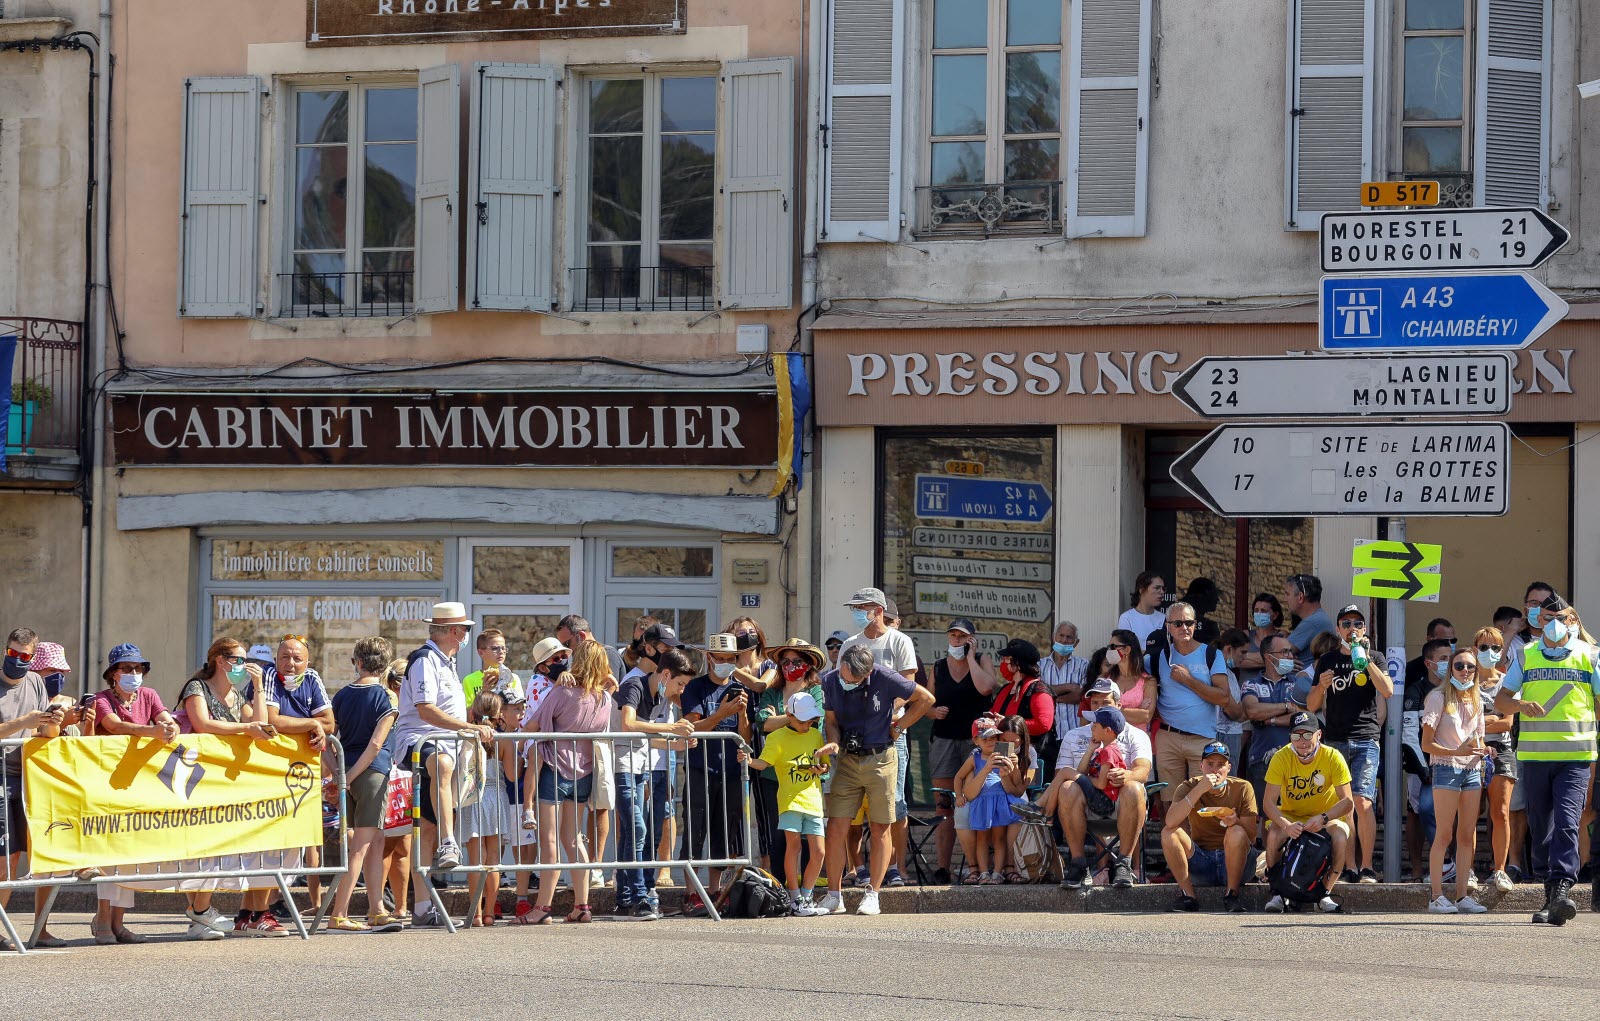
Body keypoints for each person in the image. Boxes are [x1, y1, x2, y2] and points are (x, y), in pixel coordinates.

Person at [1494, 593, 1599, 926]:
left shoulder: (1590, 656)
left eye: (1559, 616)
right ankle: (1549, 893)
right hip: (1537, 757)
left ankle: (1562, 889)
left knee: (1568, 823)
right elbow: (1502, 701)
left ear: (1571, 620)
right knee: (1541, 829)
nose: (1552, 622)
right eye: (1546, 616)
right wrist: (1521, 705)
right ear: (1538, 620)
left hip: (1576, 757)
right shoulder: (1526, 655)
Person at [817, 643, 933, 916]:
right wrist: (833, 744)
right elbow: (830, 720)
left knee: (881, 827)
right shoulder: (831, 681)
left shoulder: (885, 676)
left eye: (851, 679)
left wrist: (900, 726)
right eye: (843, 674)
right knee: (836, 826)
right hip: (847, 758)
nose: (845, 680)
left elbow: (926, 698)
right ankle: (834, 896)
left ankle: (873, 895)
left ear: (867, 673)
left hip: (881, 758)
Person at [393, 601, 491, 925]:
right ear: (453, 631)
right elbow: (426, 710)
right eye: (464, 630)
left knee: (427, 829)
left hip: (443, 743)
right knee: (443, 766)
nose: (465, 636)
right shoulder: (425, 660)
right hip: (419, 742)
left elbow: (446, 711)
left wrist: (474, 721)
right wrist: (468, 727)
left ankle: (422, 907)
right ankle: (450, 844)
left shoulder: (446, 662)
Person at [88, 643, 180, 944]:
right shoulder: (102, 700)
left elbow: (165, 716)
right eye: (127, 668)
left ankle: (118, 922)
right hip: (106, 785)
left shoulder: (149, 695)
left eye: (138, 668)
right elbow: (114, 726)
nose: (134, 673)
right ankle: (102, 916)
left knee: (129, 852)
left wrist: (169, 726)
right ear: (113, 673)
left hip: (138, 784)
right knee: (107, 852)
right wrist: (152, 731)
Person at [523, 640, 613, 925]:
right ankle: (582, 905)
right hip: (584, 771)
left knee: (550, 840)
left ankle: (543, 907)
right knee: (574, 838)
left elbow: (533, 726)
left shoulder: (563, 691)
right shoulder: (605, 699)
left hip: (554, 766)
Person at [1305, 604, 1391, 884]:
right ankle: (1349, 866)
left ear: (1364, 629)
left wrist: (1366, 660)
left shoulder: (1375, 656)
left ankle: (1367, 866)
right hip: (1335, 738)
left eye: (1357, 623)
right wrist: (1321, 686)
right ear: (1338, 629)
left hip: (1366, 737)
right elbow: (1311, 705)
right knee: (1345, 804)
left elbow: (1387, 690)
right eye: (1346, 623)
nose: (1351, 628)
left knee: (1364, 801)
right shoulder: (1328, 659)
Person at [614, 633, 696, 919]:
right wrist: (670, 731)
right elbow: (627, 723)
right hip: (622, 764)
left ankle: (631, 897)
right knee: (637, 830)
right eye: (680, 684)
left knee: (641, 832)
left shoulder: (661, 695)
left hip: (642, 765)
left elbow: (650, 737)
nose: (682, 691)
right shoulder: (633, 685)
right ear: (665, 674)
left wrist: (679, 742)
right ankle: (638, 897)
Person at [1041, 682, 1153, 889]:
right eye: (1094, 702)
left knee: (1134, 787)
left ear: (1119, 705)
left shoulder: (1137, 735)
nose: (1099, 707)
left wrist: (1126, 775)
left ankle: (1124, 863)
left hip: (1122, 802)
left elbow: (1143, 771)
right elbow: (1060, 775)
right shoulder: (1074, 735)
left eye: (1106, 702)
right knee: (1066, 787)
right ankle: (1078, 864)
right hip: (1083, 802)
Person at [251, 634, 336, 906]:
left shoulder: (311, 678)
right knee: (277, 833)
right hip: (272, 766)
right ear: (276, 659)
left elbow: (329, 723)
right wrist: (311, 725)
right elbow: (272, 720)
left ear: (307, 661)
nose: (290, 663)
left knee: (310, 835)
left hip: (306, 768)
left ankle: (316, 903)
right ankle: (273, 901)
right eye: (285, 657)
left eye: (297, 658)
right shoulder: (268, 677)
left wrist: (311, 725)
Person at [327, 636, 402, 933]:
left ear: (357, 662)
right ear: (384, 665)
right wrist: (348, 778)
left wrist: (338, 775)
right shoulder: (387, 697)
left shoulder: (342, 695)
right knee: (361, 845)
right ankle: (339, 913)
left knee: (375, 841)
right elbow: (375, 745)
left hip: (349, 768)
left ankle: (376, 909)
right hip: (371, 772)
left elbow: (328, 742)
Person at [0, 629, 69, 950]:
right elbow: (17, 725)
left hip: (29, 777)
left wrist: (54, 720)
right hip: (1, 778)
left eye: (25, 657)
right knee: (5, 860)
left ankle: (37, 929)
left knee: (32, 855)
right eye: (13, 654)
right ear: (6, 650)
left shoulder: (36, 683)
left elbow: (47, 732)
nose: (18, 661)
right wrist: (23, 721)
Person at [739, 691, 834, 915]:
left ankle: (806, 896)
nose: (807, 724)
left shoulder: (815, 735)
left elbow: (825, 765)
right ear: (789, 715)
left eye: (810, 719)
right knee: (794, 847)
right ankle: (795, 898)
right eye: (802, 719)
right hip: (790, 801)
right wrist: (748, 760)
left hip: (813, 801)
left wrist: (822, 768)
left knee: (819, 851)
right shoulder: (777, 737)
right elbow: (763, 763)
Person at [680, 633, 755, 914]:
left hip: (732, 771)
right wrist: (722, 714)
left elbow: (745, 735)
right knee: (695, 830)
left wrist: (743, 715)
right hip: (702, 767)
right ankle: (691, 893)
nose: (725, 664)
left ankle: (715, 890)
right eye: (720, 659)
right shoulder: (695, 688)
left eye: (730, 660)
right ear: (708, 658)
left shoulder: (739, 689)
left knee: (725, 832)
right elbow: (693, 727)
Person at [1262, 712, 1353, 913]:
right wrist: (1286, 825)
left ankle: (1324, 893)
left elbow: (1347, 802)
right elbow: (1268, 803)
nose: (1301, 741)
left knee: (1339, 835)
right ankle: (1277, 892)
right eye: (1296, 735)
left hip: (1324, 817)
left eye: (1307, 735)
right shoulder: (1281, 757)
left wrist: (1323, 818)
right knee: (1275, 833)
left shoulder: (1332, 756)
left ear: (1318, 735)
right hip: (1291, 816)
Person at [754, 639, 828, 888]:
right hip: (774, 775)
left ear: (808, 665)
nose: (790, 666)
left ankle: (809, 884)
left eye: (796, 661)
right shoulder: (772, 692)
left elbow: (814, 725)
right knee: (780, 833)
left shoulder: (816, 690)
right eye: (785, 662)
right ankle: (779, 882)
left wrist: (784, 717)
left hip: (806, 775)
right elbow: (763, 724)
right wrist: (795, 716)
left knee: (809, 834)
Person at [928, 619, 997, 884]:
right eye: (953, 635)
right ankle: (943, 867)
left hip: (975, 744)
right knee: (945, 804)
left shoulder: (982, 659)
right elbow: (926, 702)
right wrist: (933, 712)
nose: (956, 640)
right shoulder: (938, 666)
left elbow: (985, 688)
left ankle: (980, 868)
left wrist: (970, 658)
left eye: (962, 636)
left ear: (972, 639)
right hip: (944, 740)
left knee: (977, 800)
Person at [1421, 649, 1489, 914]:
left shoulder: (1477, 699)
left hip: (1472, 769)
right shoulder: (1437, 697)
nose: (1464, 670)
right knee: (1444, 834)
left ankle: (1462, 896)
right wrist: (1456, 752)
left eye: (1470, 667)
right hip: (1446, 768)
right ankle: (1436, 896)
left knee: (1466, 835)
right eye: (1459, 665)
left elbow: (1479, 739)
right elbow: (1426, 744)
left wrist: (1484, 750)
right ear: (1451, 668)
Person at [1161, 740, 1259, 913]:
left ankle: (1232, 895)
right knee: (1169, 833)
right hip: (1202, 860)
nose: (1215, 770)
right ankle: (1188, 897)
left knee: (1236, 831)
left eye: (1221, 764)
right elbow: (1170, 822)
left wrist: (1235, 821)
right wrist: (1199, 789)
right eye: (1210, 764)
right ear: (1201, 766)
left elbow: (1251, 836)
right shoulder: (1189, 786)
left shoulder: (1243, 787)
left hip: (1236, 862)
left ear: (1229, 767)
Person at [1151, 602, 1231, 801]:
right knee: (1170, 801)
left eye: (1188, 622)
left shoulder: (1212, 654)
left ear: (1195, 625)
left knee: (1203, 800)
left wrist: (1188, 679)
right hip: (1168, 737)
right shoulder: (1156, 657)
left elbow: (1224, 697)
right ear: (1168, 626)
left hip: (1202, 739)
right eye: (1177, 623)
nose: (1184, 628)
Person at [1403, 635, 1454, 878]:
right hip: (1425, 768)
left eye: (1450, 658)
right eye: (1443, 659)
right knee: (1423, 809)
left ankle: (1457, 865)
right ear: (1428, 663)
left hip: (1457, 765)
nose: (1449, 663)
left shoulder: (1458, 688)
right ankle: (1439, 863)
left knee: (1457, 815)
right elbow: (1410, 737)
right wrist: (1425, 771)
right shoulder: (1416, 691)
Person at [457, 688, 509, 927]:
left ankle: (475, 912)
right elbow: (511, 773)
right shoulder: (504, 739)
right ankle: (489, 912)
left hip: (473, 796)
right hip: (496, 796)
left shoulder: (466, 734)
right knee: (493, 859)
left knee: (475, 859)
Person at [1474, 627, 1519, 892]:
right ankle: (1466, 869)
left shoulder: (1507, 682)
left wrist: (1479, 723)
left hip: (1501, 753)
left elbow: (1506, 724)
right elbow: (1460, 724)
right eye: (1483, 647)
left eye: (1494, 648)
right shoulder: (1464, 681)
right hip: (1469, 751)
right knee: (1468, 814)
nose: (1488, 653)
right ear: (1474, 649)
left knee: (1500, 812)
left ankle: (1500, 870)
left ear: (1502, 652)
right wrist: (1483, 723)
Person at [954, 717, 1024, 884]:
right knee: (982, 839)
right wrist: (958, 795)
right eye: (984, 739)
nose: (990, 742)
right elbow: (958, 776)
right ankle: (984, 872)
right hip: (981, 802)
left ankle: (998, 873)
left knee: (999, 838)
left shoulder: (1005, 754)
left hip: (1000, 800)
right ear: (975, 741)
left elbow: (1017, 783)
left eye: (993, 737)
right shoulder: (975, 758)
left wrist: (1013, 765)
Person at [1240, 634, 1300, 810]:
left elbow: (1302, 716)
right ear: (1268, 656)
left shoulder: (1298, 684)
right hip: (1262, 758)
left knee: (1295, 813)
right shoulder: (1251, 684)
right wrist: (1287, 706)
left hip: (1297, 759)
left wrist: (1268, 719)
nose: (1290, 656)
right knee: (1269, 815)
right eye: (1285, 652)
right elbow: (1252, 711)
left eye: (1290, 652)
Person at [1041, 620, 1089, 779]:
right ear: (1054, 637)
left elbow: (1079, 696)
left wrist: (1049, 695)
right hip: (1047, 738)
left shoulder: (1083, 665)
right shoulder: (1040, 666)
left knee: (1071, 782)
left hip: (1073, 735)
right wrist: (1069, 686)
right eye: (1061, 635)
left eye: (1069, 637)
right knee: (1047, 781)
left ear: (1076, 642)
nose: (1064, 640)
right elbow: (1037, 695)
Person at [990, 639, 1053, 743]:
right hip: (1004, 749)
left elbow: (1043, 724)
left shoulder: (1039, 689)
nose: (1003, 662)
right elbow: (994, 713)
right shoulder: (1006, 689)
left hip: (1031, 753)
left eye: (1006, 659)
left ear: (1017, 664)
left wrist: (1007, 723)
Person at [1104, 629, 1155, 731]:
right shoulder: (1106, 679)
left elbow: (1146, 716)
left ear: (1127, 650)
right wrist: (1138, 710)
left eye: (1113, 646)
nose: (1109, 650)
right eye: (1109, 647)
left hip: (1137, 741)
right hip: (1111, 739)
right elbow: (1101, 711)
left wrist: (1113, 710)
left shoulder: (1148, 681)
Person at [556, 613, 626, 687]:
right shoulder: (581, 660)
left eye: (567, 644)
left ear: (582, 636)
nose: (567, 650)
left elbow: (610, 690)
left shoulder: (606, 654)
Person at [1215, 629, 1251, 767]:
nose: (1245, 657)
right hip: (1221, 735)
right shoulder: (1217, 671)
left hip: (1229, 734)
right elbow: (1233, 712)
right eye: (1242, 652)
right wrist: (1247, 713)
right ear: (1229, 648)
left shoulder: (1230, 673)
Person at [1283, 573, 1334, 669]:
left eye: (1287, 594)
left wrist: (1246, 656)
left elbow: (1277, 654)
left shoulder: (1312, 622)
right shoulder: (1318, 618)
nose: (1285, 599)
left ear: (1300, 597)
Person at [461, 628, 521, 704]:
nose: (501, 652)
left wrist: (508, 694)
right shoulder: (469, 680)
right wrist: (484, 694)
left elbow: (520, 708)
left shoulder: (513, 678)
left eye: (503, 648)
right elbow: (468, 712)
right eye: (495, 648)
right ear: (481, 652)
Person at [1118, 571, 1167, 647]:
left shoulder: (1164, 618)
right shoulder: (1127, 618)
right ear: (1142, 589)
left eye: (1163, 588)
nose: (1162, 592)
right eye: (1157, 588)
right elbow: (1125, 648)